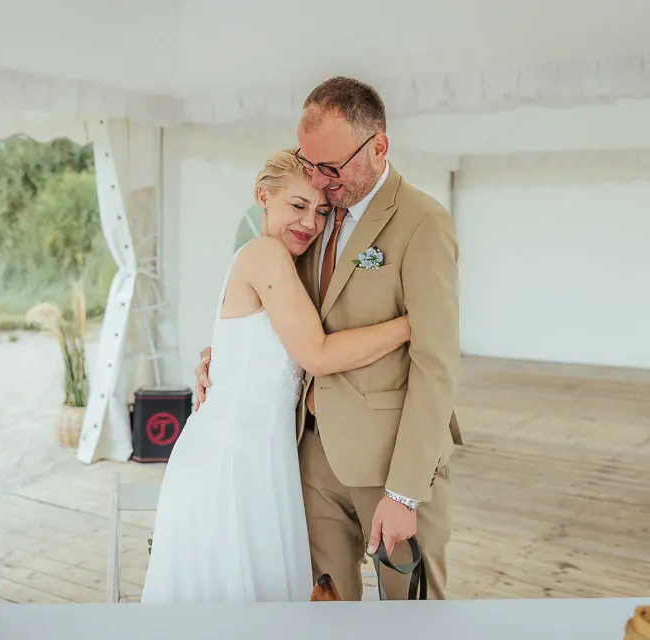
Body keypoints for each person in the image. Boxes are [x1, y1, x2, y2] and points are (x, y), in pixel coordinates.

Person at [194, 77, 462, 601]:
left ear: (379, 146)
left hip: (389, 463)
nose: (319, 180)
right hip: (304, 453)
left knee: (413, 614)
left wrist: (405, 492)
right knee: (324, 612)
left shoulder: (423, 222)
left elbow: (437, 365)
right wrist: (220, 358)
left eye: (331, 167)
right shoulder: (311, 219)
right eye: (309, 163)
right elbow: (279, 317)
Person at [140, 149, 412, 603]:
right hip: (233, 459)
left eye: (323, 211)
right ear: (263, 196)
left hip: (262, 454)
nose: (310, 222)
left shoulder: (280, 261)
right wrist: (411, 324)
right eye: (297, 206)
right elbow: (319, 355)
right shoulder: (265, 254)